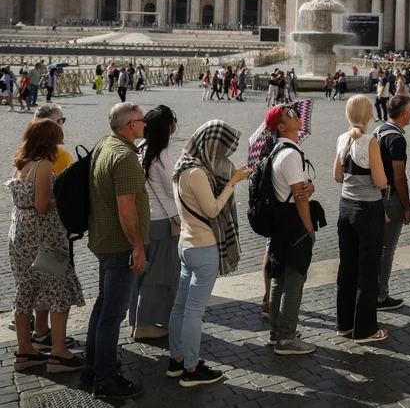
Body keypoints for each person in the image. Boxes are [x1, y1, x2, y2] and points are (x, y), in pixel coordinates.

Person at [168, 120, 249, 387]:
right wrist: (233, 182)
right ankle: (192, 369)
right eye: (222, 147)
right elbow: (213, 210)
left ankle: (177, 360)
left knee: (180, 307)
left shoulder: (182, 165)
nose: (224, 153)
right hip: (203, 248)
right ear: (211, 144)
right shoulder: (197, 173)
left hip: (186, 245)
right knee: (193, 312)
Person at [83, 102, 151, 399]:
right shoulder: (124, 157)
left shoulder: (105, 145)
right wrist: (137, 247)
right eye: (142, 119)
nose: (146, 123)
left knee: (103, 306)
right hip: (120, 246)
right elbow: (127, 209)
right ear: (130, 125)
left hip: (104, 240)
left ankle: (93, 366)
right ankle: (106, 379)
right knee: (113, 313)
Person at [7, 118, 85, 374]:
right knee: (58, 288)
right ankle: (59, 352)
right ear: (48, 141)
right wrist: (60, 197)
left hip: (19, 233)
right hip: (42, 236)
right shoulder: (43, 166)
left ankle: (24, 350)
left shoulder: (20, 163)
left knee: (25, 290)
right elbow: (42, 205)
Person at [334, 96, 388, 343]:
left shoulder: (342, 139)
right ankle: (366, 329)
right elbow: (380, 182)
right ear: (368, 115)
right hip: (368, 210)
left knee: (347, 267)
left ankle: (344, 324)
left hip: (345, 208)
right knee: (368, 271)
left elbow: (337, 176)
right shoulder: (370, 142)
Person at [265, 104, 318, 355]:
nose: (296, 116)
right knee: (294, 280)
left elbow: (301, 188)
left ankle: (276, 331)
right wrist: (309, 229)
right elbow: (300, 196)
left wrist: (311, 187)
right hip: (294, 224)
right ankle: (287, 338)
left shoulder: (279, 151)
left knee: (280, 278)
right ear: (282, 127)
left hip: (280, 223)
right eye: (290, 115)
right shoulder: (290, 154)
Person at [130, 106, 179, 340]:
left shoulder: (139, 148)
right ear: (168, 127)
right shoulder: (163, 155)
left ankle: (139, 320)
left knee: (143, 273)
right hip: (162, 221)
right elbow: (173, 190)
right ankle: (146, 323)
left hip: (143, 218)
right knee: (159, 275)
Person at [374, 95, 410, 311]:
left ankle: (373, 291)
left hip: (375, 196)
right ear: (405, 112)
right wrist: (406, 207)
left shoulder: (379, 130)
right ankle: (380, 296)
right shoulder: (397, 139)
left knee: (376, 246)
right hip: (390, 198)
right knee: (386, 249)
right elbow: (399, 176)